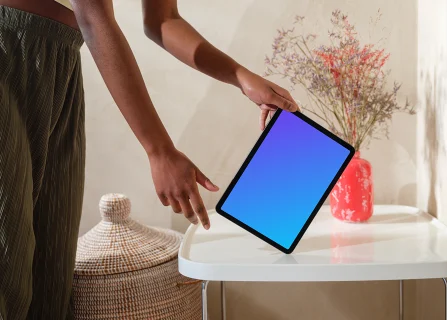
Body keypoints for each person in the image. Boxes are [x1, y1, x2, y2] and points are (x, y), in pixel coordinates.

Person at [0, 0, 299, 319]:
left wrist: (243, 79)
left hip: (62, 61)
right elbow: (93, 15)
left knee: (51, 280)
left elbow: (162, 19)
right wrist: (160, 151)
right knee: (9, 270)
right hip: (9, 49)